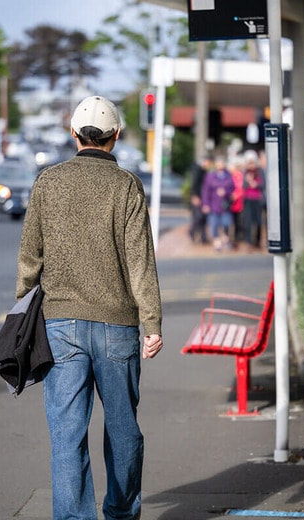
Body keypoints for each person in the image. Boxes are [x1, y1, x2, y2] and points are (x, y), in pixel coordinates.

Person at [16, 95, 163, 520]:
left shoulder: (48, 182)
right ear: (116, 137)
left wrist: (22, 309)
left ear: (74, 134)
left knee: (66, 436)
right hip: (118, 326)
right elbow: (141, 261)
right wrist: (151, 321)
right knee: (123, 432)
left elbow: (30, 257)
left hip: (59, 324)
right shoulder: (127, 186)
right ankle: (119, 512)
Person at [201, 156, 235, 251]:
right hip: (213, 204)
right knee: (214, 224)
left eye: (221, 163)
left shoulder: (228, 176)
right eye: (218, 164)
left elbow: (232, 188)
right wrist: (205, 204)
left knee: (226, 223)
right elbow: (205, 191)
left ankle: (225, 239)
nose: (220, 165)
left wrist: (226, 192)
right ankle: (217, 242)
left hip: (225, 204)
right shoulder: (210, 176)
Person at [242, 150, 265, 249]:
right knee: (248, 221)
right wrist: (248, 181)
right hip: (248, 199)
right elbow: (243, 186)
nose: (251, 164)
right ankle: (248, 241)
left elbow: (263, 185)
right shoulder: (245, 172)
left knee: (259, 221)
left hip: (258, 199)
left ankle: (258, 241)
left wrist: (255, 184)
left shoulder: (260, 172)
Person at [189, 156, 212, 244]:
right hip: (197, 197)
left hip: (203, 197)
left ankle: (203, 237)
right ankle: (192, 233)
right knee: (198, 217)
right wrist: (195, 196)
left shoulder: (204, 171)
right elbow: (194, 184)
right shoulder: (197, 170)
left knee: (203, 218)